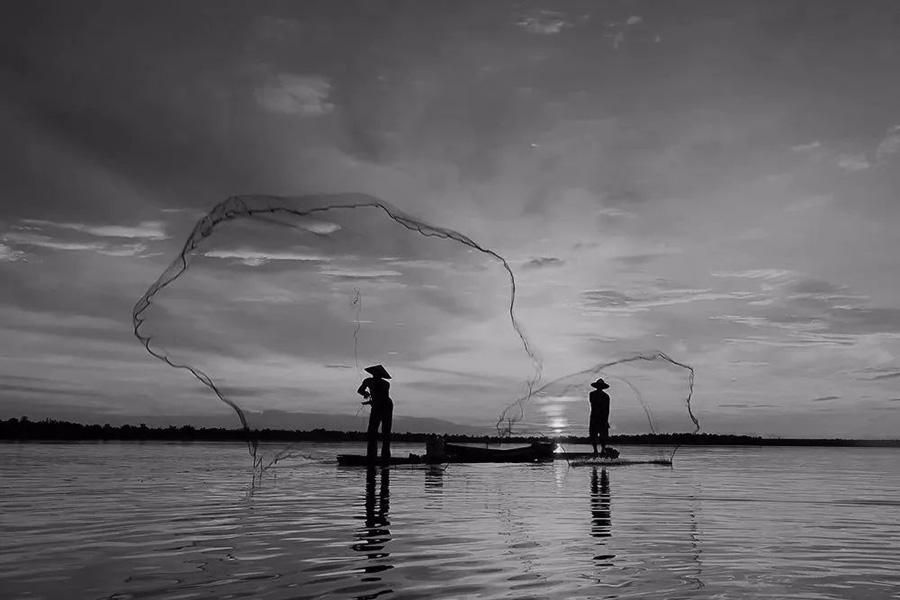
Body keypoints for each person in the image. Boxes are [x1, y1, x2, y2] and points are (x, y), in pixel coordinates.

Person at [358, 364, 393, 462]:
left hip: (386, 406)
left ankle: (385, 456)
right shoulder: (367, 381)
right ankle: (371, 455)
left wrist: (370, 402)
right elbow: (360, 390)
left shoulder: (385, 384)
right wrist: (365, 393)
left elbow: (383, 398)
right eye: (375, 373)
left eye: (378, 373)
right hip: (376, 406)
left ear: (381, 375)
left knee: (386, 431)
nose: (376, 375)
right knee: (372, 431)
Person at [589, 378, 611, 457]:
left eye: (601, 386)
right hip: (594, 417)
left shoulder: (606, 396)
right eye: (598, 386)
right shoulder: (592, 394)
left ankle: (602, 450)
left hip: (603, 418)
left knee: (603, 436)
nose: (599, 387)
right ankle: (595, 451)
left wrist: (606, 420)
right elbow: (594, 403)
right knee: (593, 435)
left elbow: (607, 409)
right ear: (596, 386)